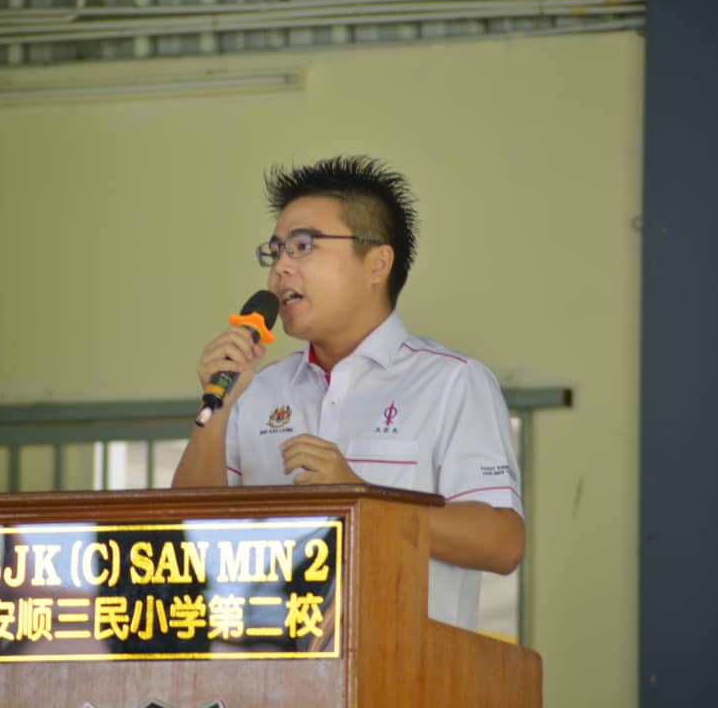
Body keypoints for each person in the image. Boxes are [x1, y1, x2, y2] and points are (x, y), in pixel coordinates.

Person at [172, 156, 524, 631]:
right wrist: (217, 408)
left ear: (377, 263)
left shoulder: (452, 383)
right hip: (267, 663)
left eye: (302, 247)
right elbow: (185, 538)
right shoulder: (255, 391)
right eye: (275, 252)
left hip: (408, 666)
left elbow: (503, 542)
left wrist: (363, 500)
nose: (280, 269)